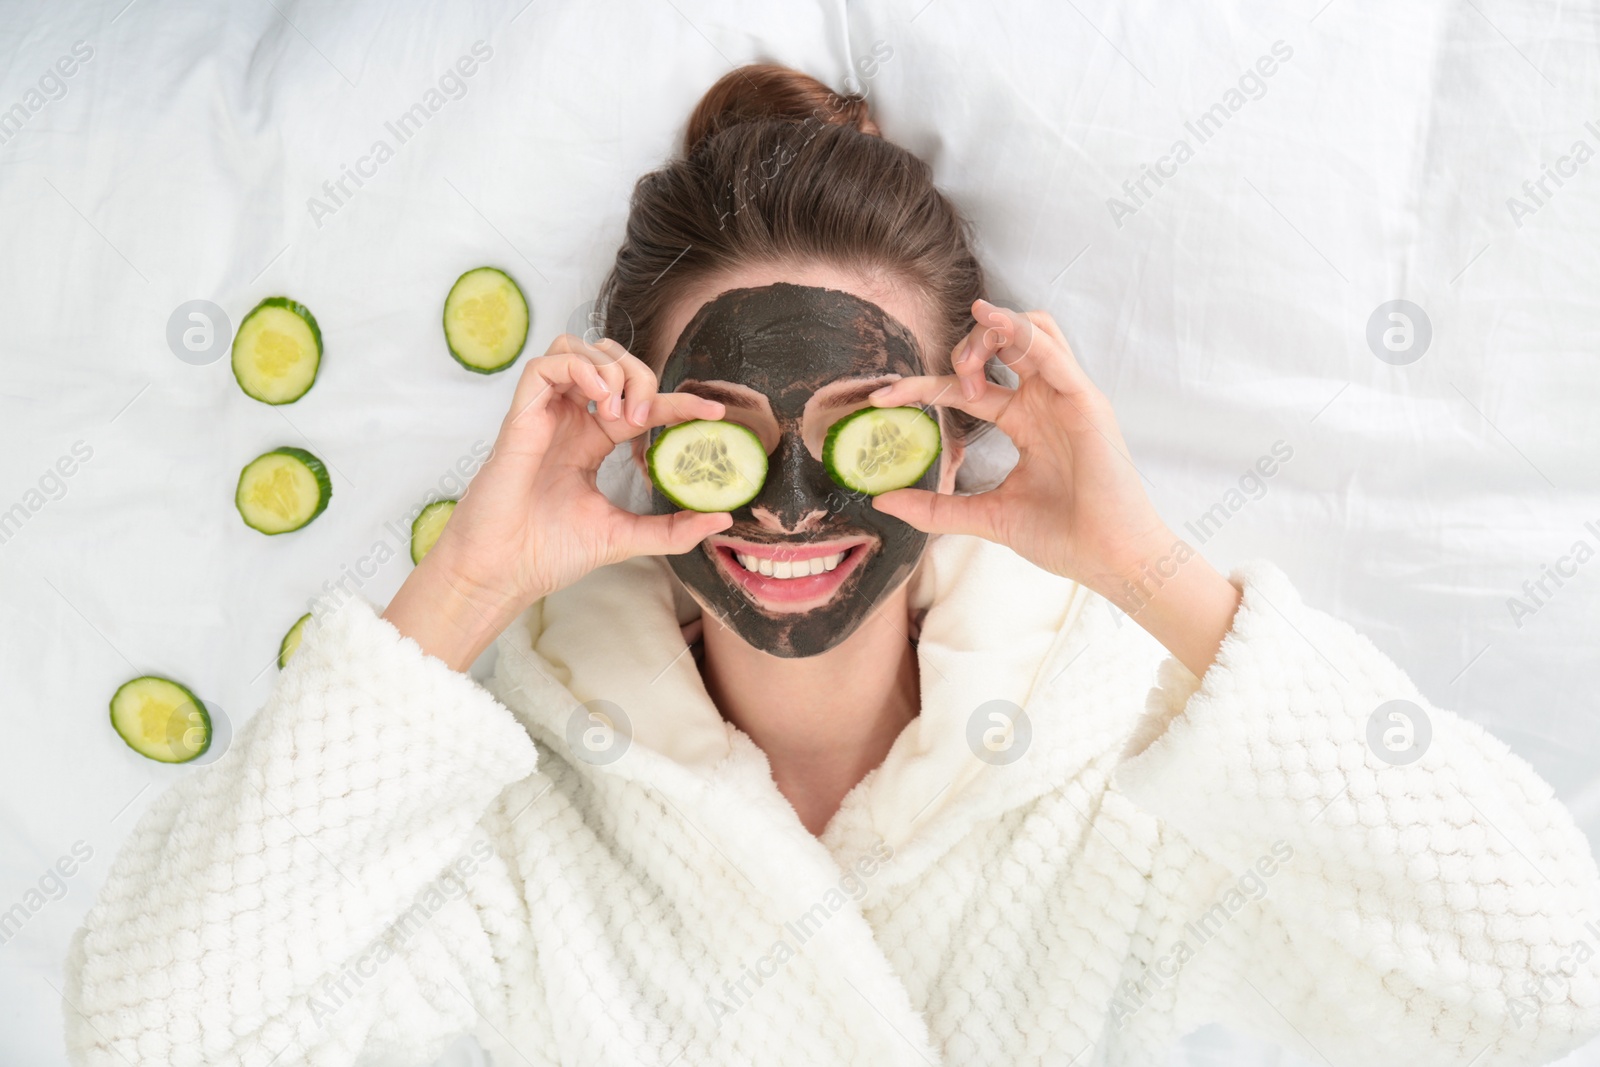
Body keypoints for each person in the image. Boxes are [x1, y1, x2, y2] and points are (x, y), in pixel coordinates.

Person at [64, 64, 1600, 1067]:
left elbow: (1556, 988)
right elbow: (143, 1033)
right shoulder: (526, 834)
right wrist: (465, 590)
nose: (792, 506)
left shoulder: (1130, 776)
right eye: (723, 434)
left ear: (952, 444)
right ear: (639, 445)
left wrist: (1142, 568)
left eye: (864, 432)